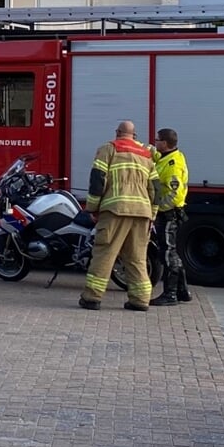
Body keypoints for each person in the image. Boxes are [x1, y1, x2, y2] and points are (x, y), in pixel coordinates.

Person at [81, 121, 156, 312]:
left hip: (115, 210)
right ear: (134, 135)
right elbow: (156, 189)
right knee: (137, 258)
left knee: (105, 254)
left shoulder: (108, 149)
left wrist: (92, 208)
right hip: (142, 213)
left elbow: (97, 180)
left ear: (117, 133)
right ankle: (140, 300)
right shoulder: (147, 155)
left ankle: (92, 298)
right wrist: (152, 214)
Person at [149, 127, 191, 306]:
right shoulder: (168, 156)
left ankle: (170, 294)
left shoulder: (173, 165)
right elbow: (157, 157)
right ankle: (182, 292)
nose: (155, 142)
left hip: (169, 214)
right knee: (171, 252)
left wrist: (158, 208)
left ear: (165, 143)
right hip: (169, 213)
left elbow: (176, 195)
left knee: (167, 253)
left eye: (157, 140)